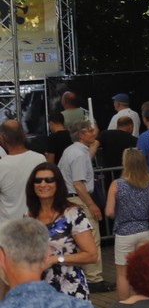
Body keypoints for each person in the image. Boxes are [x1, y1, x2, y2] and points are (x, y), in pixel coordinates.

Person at [27, 162, 99, 301]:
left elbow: (91, 255)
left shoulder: (72, 214)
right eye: (38, 180)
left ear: (58, 184)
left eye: (49, 180)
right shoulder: (29, 216)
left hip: (70, 289)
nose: (43, 184)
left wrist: (56, 259)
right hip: (39, 290)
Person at [106, 149, 149, 300]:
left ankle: (125, 305)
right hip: (146, 231)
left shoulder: (116, 184)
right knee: (147, 271)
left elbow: (109, 212)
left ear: (125, 163)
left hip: (124, 233)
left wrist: (121, 214)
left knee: (123, 274)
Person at [60, 119, 105, 288]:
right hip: (79, 198)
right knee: (91, 237)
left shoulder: (72, 151)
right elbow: (78, 183)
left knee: (78, 238)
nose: (94, 133)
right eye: (90, 131)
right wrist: (91, 204)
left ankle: (88, 276)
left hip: (70, 198)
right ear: (81, 135)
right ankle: (94, 278)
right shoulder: (79, 154)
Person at [0, 120, 46, 221]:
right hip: (35, 224)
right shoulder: (40, 159)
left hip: (8, 227)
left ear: (2, 138)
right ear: (24, 134)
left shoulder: (1, 166)